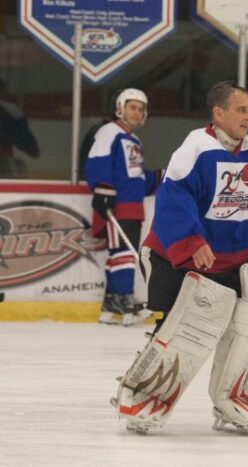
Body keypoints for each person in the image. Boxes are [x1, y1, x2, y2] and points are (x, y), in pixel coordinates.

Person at [112, 81, 248, 435]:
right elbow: (174, 199)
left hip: (236, 258)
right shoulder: (196, 149)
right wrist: (192, 242)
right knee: (184, 330)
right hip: (179, 257)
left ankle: (233, 400)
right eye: (241, 110)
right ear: (218, 113)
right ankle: (143, 393)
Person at [84, 88, 159, 326]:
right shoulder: (109, 132)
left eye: (140, 109)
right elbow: (97, 161)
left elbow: (134, 176)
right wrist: (103, 189)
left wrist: (159, 178)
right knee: (125, 255)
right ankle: (125, 301)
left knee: (121, 254)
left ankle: (110, 305)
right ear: (120, 107)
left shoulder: (133, 140)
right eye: (132, 107)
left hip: (133, 205)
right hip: (118, 204)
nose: (137, 112)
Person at [0, 79, 39, 178]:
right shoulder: (11, 110)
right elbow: (27, 143)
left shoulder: (11, 110)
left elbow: (26, 142)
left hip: (5, 162)